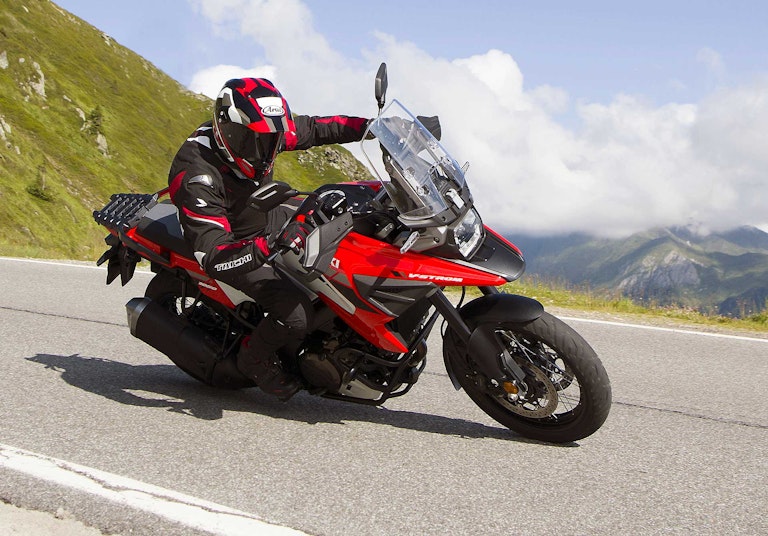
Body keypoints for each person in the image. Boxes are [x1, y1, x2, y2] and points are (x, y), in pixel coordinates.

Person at [167, 77, 369, 400]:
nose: (262, 152)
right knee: (295, 313)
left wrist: (373, 128)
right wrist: (268, 246)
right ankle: (254, 359)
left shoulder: (263, 133)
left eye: (270, 141)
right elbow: (214, 255)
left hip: (261, 217)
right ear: (226, 129)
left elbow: (316, 128)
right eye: (251, 141)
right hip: (233, 245)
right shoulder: (196, 174)